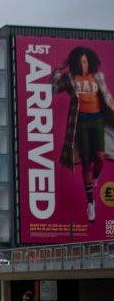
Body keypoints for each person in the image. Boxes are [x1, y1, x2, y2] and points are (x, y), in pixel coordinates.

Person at [53, 46, 114, 223]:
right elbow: (54, 88)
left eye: (85, 61)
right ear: (75, 63)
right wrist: (58, 68)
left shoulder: (98, 77)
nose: (83, 65)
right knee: (86, 160)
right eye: (80, 62)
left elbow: (108, 98)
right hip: (80, 121)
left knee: (100, 157)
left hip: (97, 119)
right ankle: (91, 202)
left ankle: (95, 177)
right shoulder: (70, 78)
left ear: (90, 62)